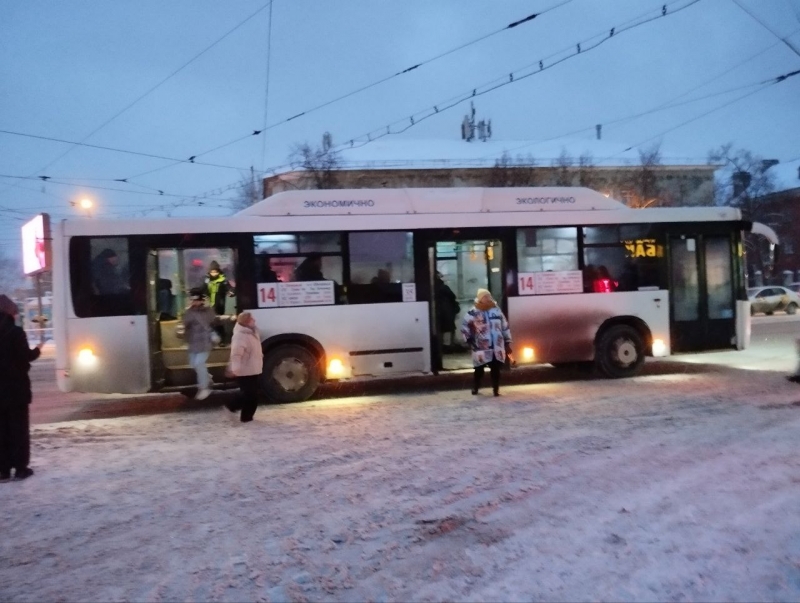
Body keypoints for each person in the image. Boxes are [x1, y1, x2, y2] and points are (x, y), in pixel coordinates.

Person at [0, 294, 42, 481]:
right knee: (18, 430)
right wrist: (38, 349)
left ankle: (3, 470)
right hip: (16, 390)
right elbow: (25, 357)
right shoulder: (16, 333)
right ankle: (20, 468)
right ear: (10, 312)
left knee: (2, 431)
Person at [461, 288, 512, 397]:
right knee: (479, 370)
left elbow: (505, 326)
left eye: (488, 296)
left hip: (496, 347)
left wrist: (507, 341)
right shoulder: (473, 312)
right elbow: (465, 326)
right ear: (480, 298)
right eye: (485, 297)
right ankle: (475, 387)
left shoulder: (497, 310)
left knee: (495, 370)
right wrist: (468, 339)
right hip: (480, 347)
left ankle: (496, 390)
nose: (488, 298)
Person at [183, 289, 231, 400]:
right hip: (193, 341)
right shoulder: (188, 312)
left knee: (199, 363)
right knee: (193, 364)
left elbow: (215, 320)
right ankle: (207, 378)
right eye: (192, 300)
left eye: (196, 300)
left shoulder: (207, 311)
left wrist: (229, 318)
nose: (193, 302)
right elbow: (186, 323)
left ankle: (204, 387)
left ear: (201, 300)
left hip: (205, 341)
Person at [225, 312, 264, 423]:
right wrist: (235, 369)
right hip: (244, 371)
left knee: (252, 395)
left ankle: (247, 417)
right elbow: (236, 355)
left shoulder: (252, 332)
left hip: (253, 369)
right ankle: (233, 408)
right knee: (249, 394)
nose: (254, 320)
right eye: (252, 319)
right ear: (246, 322)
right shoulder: (240, 336)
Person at [203, 261, 231, 344]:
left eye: (215, 271)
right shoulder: (206, 280)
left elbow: (228, 288)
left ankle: (222, 339)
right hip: (209, 304)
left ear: (218, 271)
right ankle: (212, 340)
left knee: (218, 322)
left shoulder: (223, 280)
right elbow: (202, 289)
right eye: (212, 272)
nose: (213, 273)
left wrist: (230, 292)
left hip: (219, 304)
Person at [435, 273, 460, 350]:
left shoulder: (433, 288)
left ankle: (442, 344)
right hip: (448, 311)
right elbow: (453, 296)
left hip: (439, 312)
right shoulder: (445, 287)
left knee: (440, 329)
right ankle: (449, 344)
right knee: (450, 329)